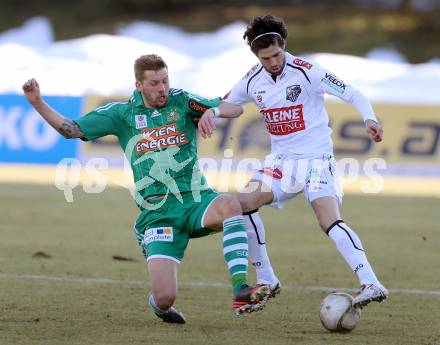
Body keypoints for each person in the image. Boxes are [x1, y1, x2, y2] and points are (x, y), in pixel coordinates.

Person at [22, 54, 270, 324]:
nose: (162, 88)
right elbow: (71, 130)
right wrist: (37, 102)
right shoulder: (122, 114)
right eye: (154, 83)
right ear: (139, 85)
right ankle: (158, 302)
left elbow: (234, 108)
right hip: (158, 213)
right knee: (165, 298)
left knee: (232, 205)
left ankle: (240, 289)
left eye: (165, 80)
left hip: (197, 200)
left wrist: (212, 111)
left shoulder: (181, 100)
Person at [198, 15, 389, 308]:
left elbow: (353, 93)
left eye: (276, 54)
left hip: (316, 160)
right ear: (257, 56)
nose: (273, 62)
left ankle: (371, 283)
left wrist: (370, 119)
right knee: (242, 203)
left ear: (283, 45)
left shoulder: (307, 71)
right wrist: (212, 111)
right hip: (282, 163)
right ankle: (267, 279)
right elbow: (230, 104)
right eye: (266, 58)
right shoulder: (252, 80)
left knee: (328, 220)